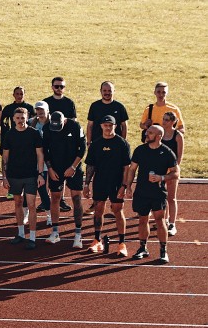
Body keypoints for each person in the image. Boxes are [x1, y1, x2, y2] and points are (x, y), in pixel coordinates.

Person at [125, 125, 179, 263]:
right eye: (147, 132)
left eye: (150, 133)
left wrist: (161, 178)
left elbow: (176, 173)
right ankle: (143, 248)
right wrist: (128, 186)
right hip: (142, 192)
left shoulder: (167, 152)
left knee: (160, 221)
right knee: (143, 220)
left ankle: (163, 251)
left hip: (158, 193)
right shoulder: (140, 150)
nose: (146, 134)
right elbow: (132, 169)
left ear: (158, 136)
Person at [83, 116, 132, 256]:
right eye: (106, 125)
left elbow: (126, 167)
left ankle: (122, 243)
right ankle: (97, 240)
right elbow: (90, 166)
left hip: (116, 183)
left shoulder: (122, 143)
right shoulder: (96, 144)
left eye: (111, 125)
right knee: (98, 209)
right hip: (100, 182)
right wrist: (86, 184)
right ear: (101, 126)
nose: (108, 128)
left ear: (115, 126)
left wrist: (124, 186)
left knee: (117, 210)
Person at [2, 107, 45, 250]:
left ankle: (32, 236)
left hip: (31, 175)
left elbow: (40, 155)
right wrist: (4, 177)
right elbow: (5, 157)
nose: (20, 120)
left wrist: (40, 174)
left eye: (23, 117)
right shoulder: (9, 135)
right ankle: (20, 234)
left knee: (32, 205)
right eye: (18, 118)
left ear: (27, 118)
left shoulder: (34, 134)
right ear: (14, 119)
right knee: (18, 203)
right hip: (14, 175)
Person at [43, 111, 87, 248]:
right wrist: (50, 169)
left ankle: (78, 234)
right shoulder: (47, 128)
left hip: (73, 167)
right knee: (55, 197)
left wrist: (73, 167)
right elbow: (45, 150)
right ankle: (55, 232)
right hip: (55, 168)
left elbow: (82, 148)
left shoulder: (75, 126)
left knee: (76, 198)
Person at [160, 112, 185, 236]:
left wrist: (174, 170)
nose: (164, 122)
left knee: (171, 197)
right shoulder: (160, 133)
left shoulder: (177, 135)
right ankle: (163, 220)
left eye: (166, 120)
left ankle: (172, 223)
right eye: (163, 119)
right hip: (160, 169)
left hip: (172, 170)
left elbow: (179, 156)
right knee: (161, 197)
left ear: (172, 122)